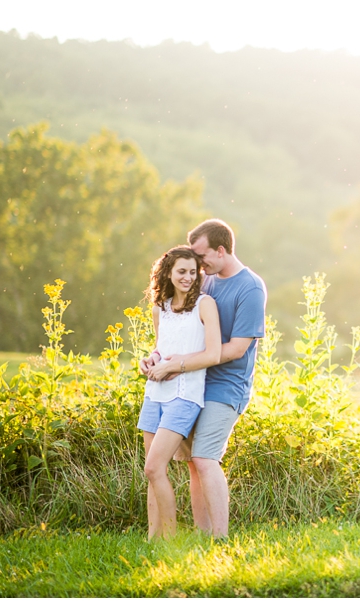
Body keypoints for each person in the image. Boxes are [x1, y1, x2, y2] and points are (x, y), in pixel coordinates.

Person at [141, 219, 266, 539]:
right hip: (194, 382)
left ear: (221, 251)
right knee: (192, 462)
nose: (196, 265)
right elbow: (179, 330)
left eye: (201, 256)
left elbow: (237, 349)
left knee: (205, 457)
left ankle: (220, 538)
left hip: (226, 386)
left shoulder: (249, 288)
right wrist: (161, 358)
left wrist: (179, 364)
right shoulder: (205, 280)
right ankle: (202, 532)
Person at [138, 246, 222, 540]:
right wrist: (149, 360)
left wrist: (175, 367)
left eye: (192, 272)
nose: (187, 277)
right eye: (181, 272)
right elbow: (162, 347)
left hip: (184, 397)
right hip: (155, 393)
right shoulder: (159, 309)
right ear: (168, 273)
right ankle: (153, 536)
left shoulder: (205, 304)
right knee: (152, 472)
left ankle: (170, 539)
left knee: (153, 467)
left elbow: (212, 354)